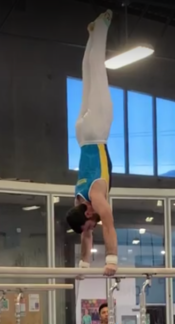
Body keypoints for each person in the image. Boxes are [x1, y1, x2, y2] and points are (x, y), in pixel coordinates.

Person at [64, 10, 118, 277]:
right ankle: (91, 34)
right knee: (87, 73)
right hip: (82, 135)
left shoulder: (96, 198)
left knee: (97, 71)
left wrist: (111, 260)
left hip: (97, 132)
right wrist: (83, 266)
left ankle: (103, 24)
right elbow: (85, 235)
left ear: (87, 213)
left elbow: (108, 225)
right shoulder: (78, 199)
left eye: (88, 225)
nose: (91, 229)